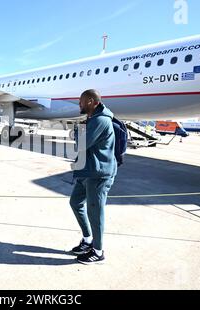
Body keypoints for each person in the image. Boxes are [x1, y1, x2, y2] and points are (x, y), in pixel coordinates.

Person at [70, 89, 117, 265]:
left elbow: (81, 144)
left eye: (81, 101)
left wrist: (76, 131)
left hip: (98, 173)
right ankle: (88, 240)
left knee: (95, 212)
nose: (79, 104)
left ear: (91, 101)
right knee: (75, 202)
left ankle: (98, 252)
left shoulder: (101, 120)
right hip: (87, 170)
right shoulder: (92, 119)